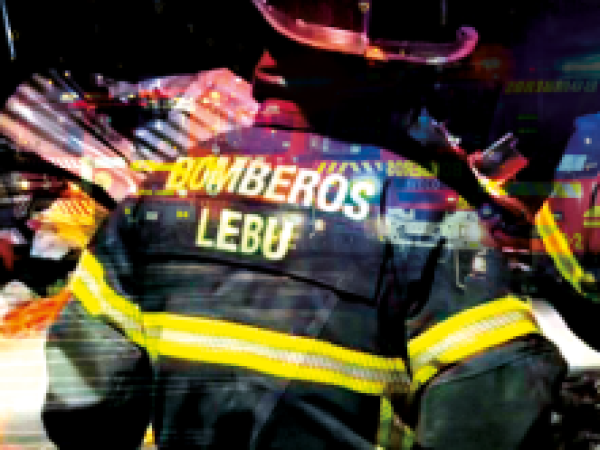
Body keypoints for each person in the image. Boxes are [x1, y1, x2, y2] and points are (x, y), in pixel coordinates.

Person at [40, 1, 571, 449]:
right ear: (382, 75)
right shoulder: (421, 211)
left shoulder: (160, 194)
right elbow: (494, 406)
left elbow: (87, 408)